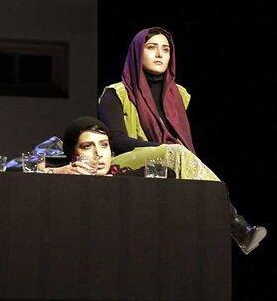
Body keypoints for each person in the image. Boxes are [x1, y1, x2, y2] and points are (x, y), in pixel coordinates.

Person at [97, 27, 266, 255]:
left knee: (181, 156)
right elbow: (116, 141)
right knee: (178, 153)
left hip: (173, 161)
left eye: (166, 49)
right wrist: (164, 149)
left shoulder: (179, 95)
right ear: (137, 52)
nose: (160, 54)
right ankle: (238, 227)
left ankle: (220, 233)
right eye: (151, 48)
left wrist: (171, 151)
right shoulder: (115, 93)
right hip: (128, 164)